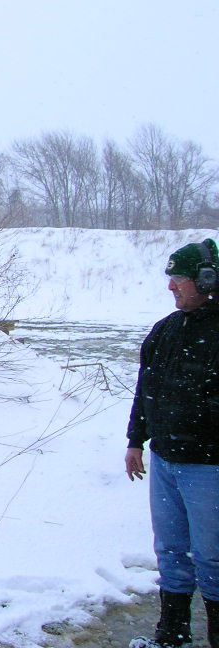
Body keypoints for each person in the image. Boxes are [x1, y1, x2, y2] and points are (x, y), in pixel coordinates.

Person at [126, 238, 219, 648]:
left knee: (213, 559)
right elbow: (145, 389)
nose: (171, 287)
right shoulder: (165, 329)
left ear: (206, 279)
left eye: (178, 279)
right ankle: (172, 635)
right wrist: (135, 440)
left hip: (209, 467)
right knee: (171, 553)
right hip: (164, 462)